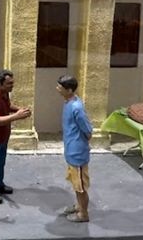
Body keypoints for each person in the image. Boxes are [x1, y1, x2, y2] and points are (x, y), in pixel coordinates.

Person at [0, 69, 31, 204]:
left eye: (12, 83)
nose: (12, 86)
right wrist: (17, 116)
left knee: (1, 161)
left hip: (3, 135)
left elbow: (8, 106)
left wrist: (19, 109)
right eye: (9, 84)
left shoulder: (4, 93)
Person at [56, 74, 93, 223]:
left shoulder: (76, 107)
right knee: (76, 183)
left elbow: (87, 129)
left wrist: (84, 140)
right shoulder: (69, 103)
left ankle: (83, 214)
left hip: (77, 152)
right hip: (72, 150)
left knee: (80, 186)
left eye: (60, 87)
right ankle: (79, 206)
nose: (57, 88)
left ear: (69, 90)